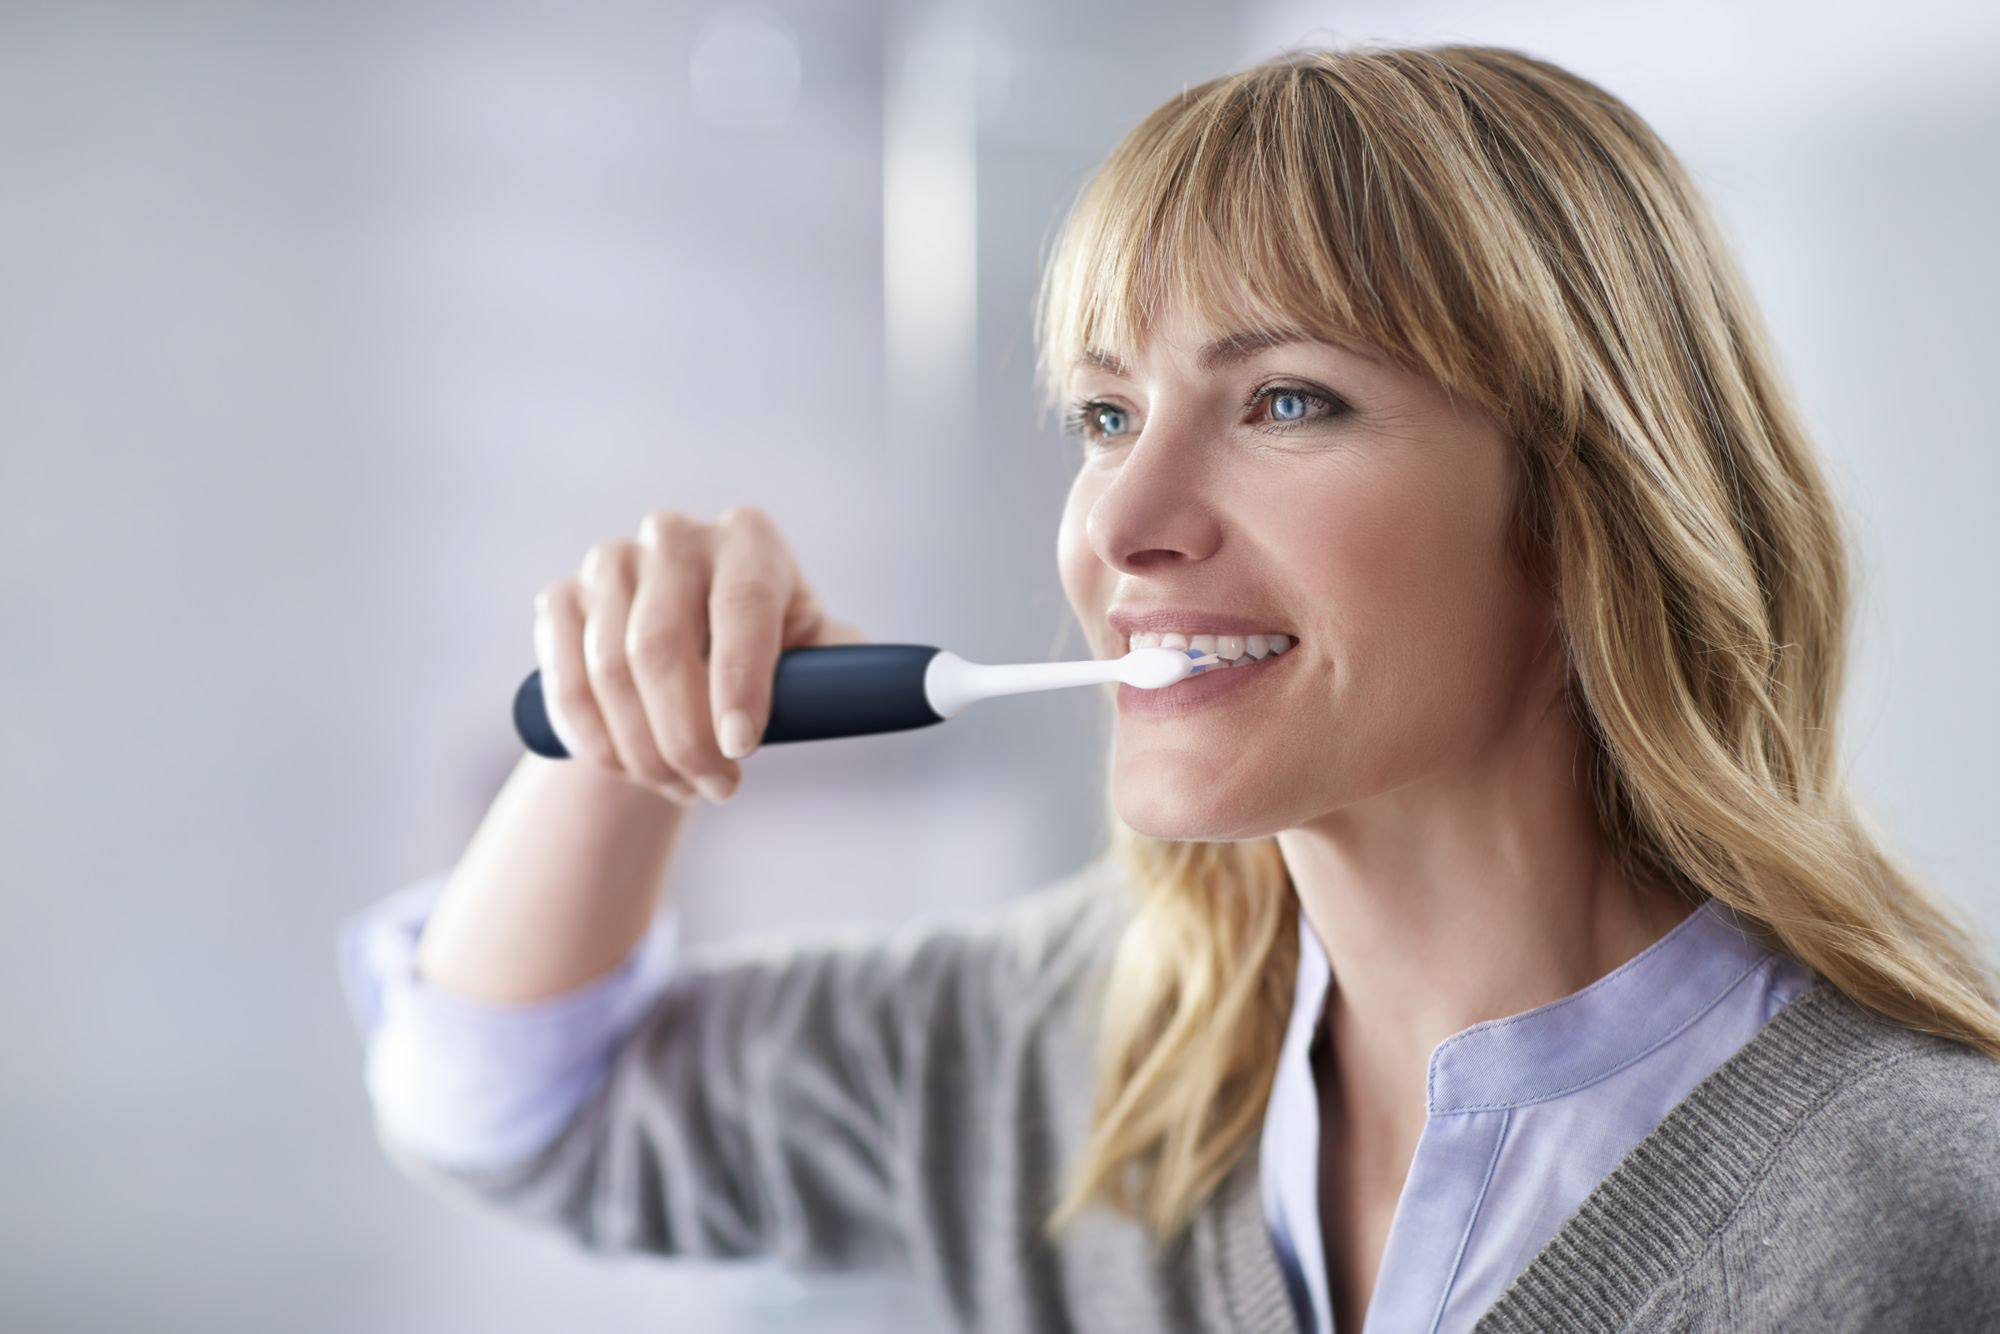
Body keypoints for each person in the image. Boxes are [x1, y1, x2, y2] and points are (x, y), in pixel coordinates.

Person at [336, 43, 2000, 1333]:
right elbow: (506, 1103)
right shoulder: (1081, 1051)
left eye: (1285, 402)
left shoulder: (1912, 1212)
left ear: (1583, 506)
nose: (1119, 524)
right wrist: (632, 727)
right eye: (1108, 414)